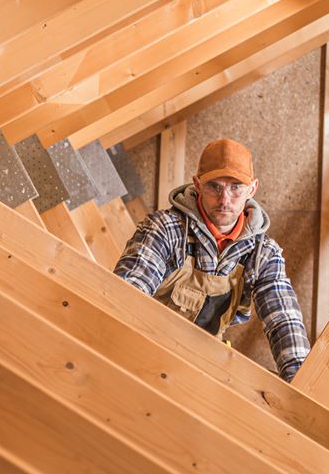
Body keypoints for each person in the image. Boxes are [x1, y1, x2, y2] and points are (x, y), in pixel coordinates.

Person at [112, 137, 309, 381]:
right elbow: (128, 296)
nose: (225, 200)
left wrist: (300, 386)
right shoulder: (165, 230)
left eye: (236, 187)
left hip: (204, 369)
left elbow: (284, 320)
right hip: (145, 358)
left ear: (252, 188)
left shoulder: (262, 254)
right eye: (214, 187)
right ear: (197, 184)